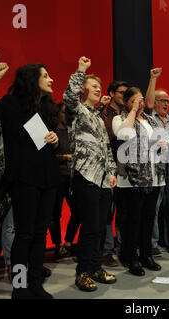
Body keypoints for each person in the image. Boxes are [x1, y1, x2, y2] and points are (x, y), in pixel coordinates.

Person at [0, 61, 61, 299]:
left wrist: (54, 140)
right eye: (45, 75)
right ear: (32, 79)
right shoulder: (12, 103)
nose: (51, 79)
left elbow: (44, 141)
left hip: (48, 177)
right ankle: (20, 286)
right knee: (24, 234)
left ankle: (35, 283)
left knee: (40, 234)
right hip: (24, 178)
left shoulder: (45, 106)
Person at [63, 56, 118, 291]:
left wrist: (113, 171)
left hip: (104, 179)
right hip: (86, 176)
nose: (98, 89)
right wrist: (81, 70)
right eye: (94, 86)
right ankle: (82, 272)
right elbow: (68, 96)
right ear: (83, 89)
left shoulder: (96, 116)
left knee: (99, 228)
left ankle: (95, 267)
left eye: (99, 86)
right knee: (89, 228)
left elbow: (106, 146)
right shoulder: (77, 111)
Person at [113, 86, 166, 276]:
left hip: (154, 176)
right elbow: (123, 135)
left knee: (148, 219)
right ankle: (130, 257)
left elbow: (163, 143)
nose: (140, 102)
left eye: (142, 99)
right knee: (132, 220)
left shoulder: (151, 120)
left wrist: (162, 143)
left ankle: (146, 255)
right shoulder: (120, 118)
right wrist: (133, 111)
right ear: (126, 102)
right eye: (135, 100)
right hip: (131, 179)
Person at [145, 67, 169, 255]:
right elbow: (148, 102)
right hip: (155, 164)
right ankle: (152, 243)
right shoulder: (150, 118)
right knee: (155, 206)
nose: (166, 103)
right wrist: (153, 80)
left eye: (168, 100)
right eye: (162, 100)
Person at [100, 79, 129, 267]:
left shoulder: (129, 113)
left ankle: (124, 246)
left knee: (125, 210)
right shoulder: (103, 114)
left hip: (126, 166)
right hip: (108, 166)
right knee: (107, 212)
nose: (124, 97)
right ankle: (107, 250)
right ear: (111, 93)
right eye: (121, 93)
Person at [49, 102, 80, 258]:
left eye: (68, 112)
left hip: (73, 176)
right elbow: (47, 156)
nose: (66, 115)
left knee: (79, 211)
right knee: (55, 214)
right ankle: (57, 244)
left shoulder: (73, 132)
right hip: (57, 176)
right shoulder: (53, 132)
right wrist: (64, 157)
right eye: (63, 112)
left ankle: (68, 241)